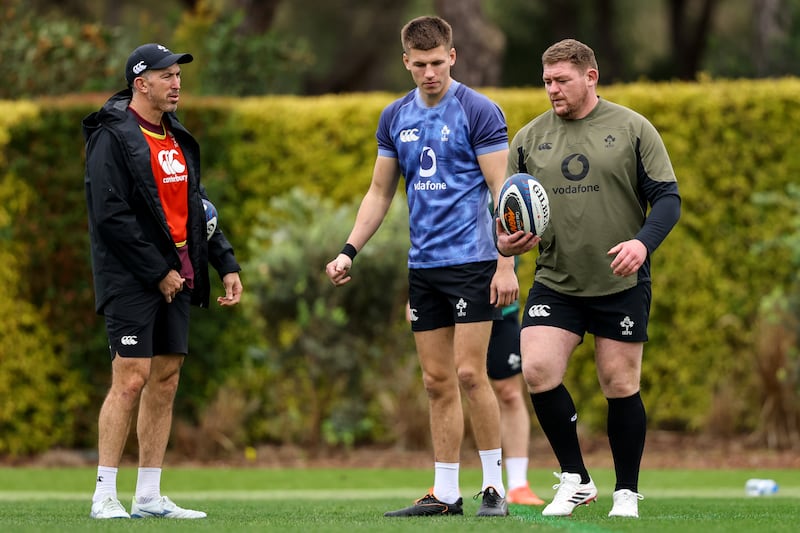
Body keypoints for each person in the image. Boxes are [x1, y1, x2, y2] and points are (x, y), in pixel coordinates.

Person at [326, 16, 514, 517]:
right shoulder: (394, 117)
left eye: (438, 62)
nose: (430, 72)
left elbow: (505, 195)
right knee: (436, 382)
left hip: (474, 262)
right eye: (420, 64)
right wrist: (349, 250)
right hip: (424, 267)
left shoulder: (478, 111)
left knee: (472, 373)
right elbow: (380, 192)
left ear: (452, 57)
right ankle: (446, 493)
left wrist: (506, 266)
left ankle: (495, 489)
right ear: (405, 62)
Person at [496, 38, 681, 519]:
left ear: (590, 76)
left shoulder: (632, 128)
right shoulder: (529, 139)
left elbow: (667, 199)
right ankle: (575, 478)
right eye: (546, 82)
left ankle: (626, 491)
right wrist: (506, 245)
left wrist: (642, 243)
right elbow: (505, 219)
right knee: (537, 370)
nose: (552, 89)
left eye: (561, 80)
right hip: (556, 278)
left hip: (620, 281)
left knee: (619, 383)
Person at [83, 43, 243, 519]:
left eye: (178, 75)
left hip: (179, 276)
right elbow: (109, 215)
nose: (176, 83)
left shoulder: (176, 137)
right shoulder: (112, 136)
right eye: (165, 75)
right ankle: (104, 494)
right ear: (140, 83)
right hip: (134, 278)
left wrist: (225, 261)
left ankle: (149, 496)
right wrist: (158, 272)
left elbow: (198, 209)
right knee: (130, 380)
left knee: (167, 380)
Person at [488, 295, 545, 507]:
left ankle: (518, 484)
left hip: (501, 307)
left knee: (509, 393)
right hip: (453, 306)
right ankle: (445, 485)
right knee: (449, 388)